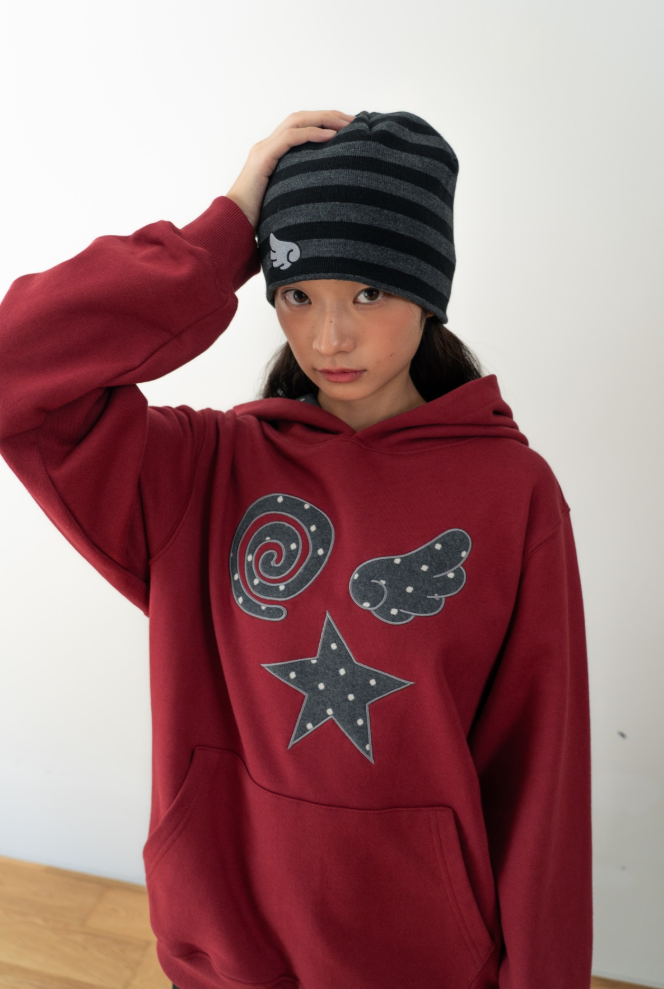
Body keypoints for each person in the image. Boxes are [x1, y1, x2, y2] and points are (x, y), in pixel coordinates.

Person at [0, 109, 593, 989]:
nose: (329, 338)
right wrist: (222, 236)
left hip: (424, 961)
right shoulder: (202, 469)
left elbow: (543, 780)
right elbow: (14, 365)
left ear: (428, 290)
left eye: (369, 293)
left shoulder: (513, 494)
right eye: (299, 293)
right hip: (226, 950)